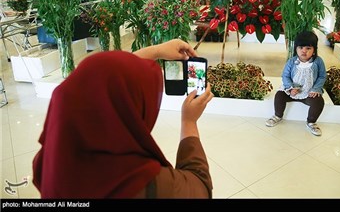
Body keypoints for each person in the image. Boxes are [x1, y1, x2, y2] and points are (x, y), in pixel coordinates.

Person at [32, 39, 214, 198]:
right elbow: (200, 187)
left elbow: (105, 78)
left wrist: (156, 51)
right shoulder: (144, 184)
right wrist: (188, 122)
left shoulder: (50, 158)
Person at [265, 31, 327, 136]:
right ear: (296, 48)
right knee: (279, 96)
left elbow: (322, 76)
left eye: (308, 48)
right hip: (292, 91)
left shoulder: (318, 62)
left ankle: (311, 122)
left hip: (308, 92)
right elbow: (285, 76)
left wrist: (315, 89)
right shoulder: (291, 61)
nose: (304, 51)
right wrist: (290, 88)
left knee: (319, 102)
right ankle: (277, 115)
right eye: (301, 48)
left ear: (314, 50)